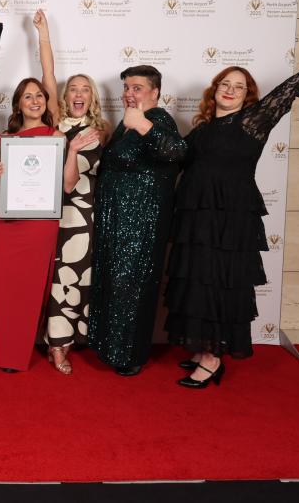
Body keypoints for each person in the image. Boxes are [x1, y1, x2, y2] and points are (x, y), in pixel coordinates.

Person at [165, 55, 299, 388]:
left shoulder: (254, 120)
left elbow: (293, 86)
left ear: (247, 96)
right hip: (198, 222)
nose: (231, 90)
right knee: (199, 278)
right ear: (215, 91)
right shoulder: (202, 131)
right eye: (225, 83)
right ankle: (203, 347)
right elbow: (175, 157)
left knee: (219, 281)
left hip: (231, 220)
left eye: (239, 87)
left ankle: (213, 359)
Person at [88, 65, 187, 376]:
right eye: (127, 88)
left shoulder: (157, 119)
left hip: (140, 225)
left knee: (132, 287)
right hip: (116, 222)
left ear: (155, 93)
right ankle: (110, 347)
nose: (129, 93)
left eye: (137, 88)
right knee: (116, 284)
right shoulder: (126, 123)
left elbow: (178, 152)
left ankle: (129, 355)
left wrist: (144, 125)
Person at [32, 9, 107, 375]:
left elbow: (77, 179)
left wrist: (74, 148)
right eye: (73, 88)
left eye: (85, 89)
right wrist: (44, 32)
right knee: (58, 280)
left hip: (83, 215)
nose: (78, 93)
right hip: (51, 214)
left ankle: (70, 342)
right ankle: (56, 346)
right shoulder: (56, 120)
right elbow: (47, 74)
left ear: (92, 96)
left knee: (79, 277)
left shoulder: (99, 131)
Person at [0, 78, 67, 372]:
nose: (35, 101)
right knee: (0, 281)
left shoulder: (56, 135)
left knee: (31, 288)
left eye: (39, 96)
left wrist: (44, 35)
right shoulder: (4, 139)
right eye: (28, 97)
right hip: (8, 224)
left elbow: (64, 182)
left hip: (40, 224)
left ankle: (17, 357)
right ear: (18, 104)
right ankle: (5, 352)